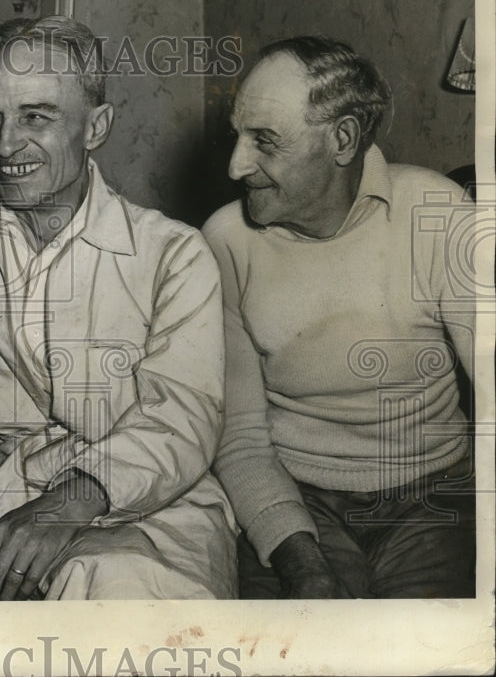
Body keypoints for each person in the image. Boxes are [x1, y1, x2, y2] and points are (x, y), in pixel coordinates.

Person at [0, 17, 237, 600]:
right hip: (1, 512)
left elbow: (183, 416)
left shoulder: (171, 253)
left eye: (36, 117)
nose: (5, 144)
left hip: (153, 509)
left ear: (96, 127)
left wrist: (67, 504)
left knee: (123, 597)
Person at [202, 36, 477, 599]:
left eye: (265, 142)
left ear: (343, 139)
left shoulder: (440, 214)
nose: (235, 165)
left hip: (435, 499)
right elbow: (243, 439)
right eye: (238, 135)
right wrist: (299, 557)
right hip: (294, 500)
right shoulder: (225, 241)